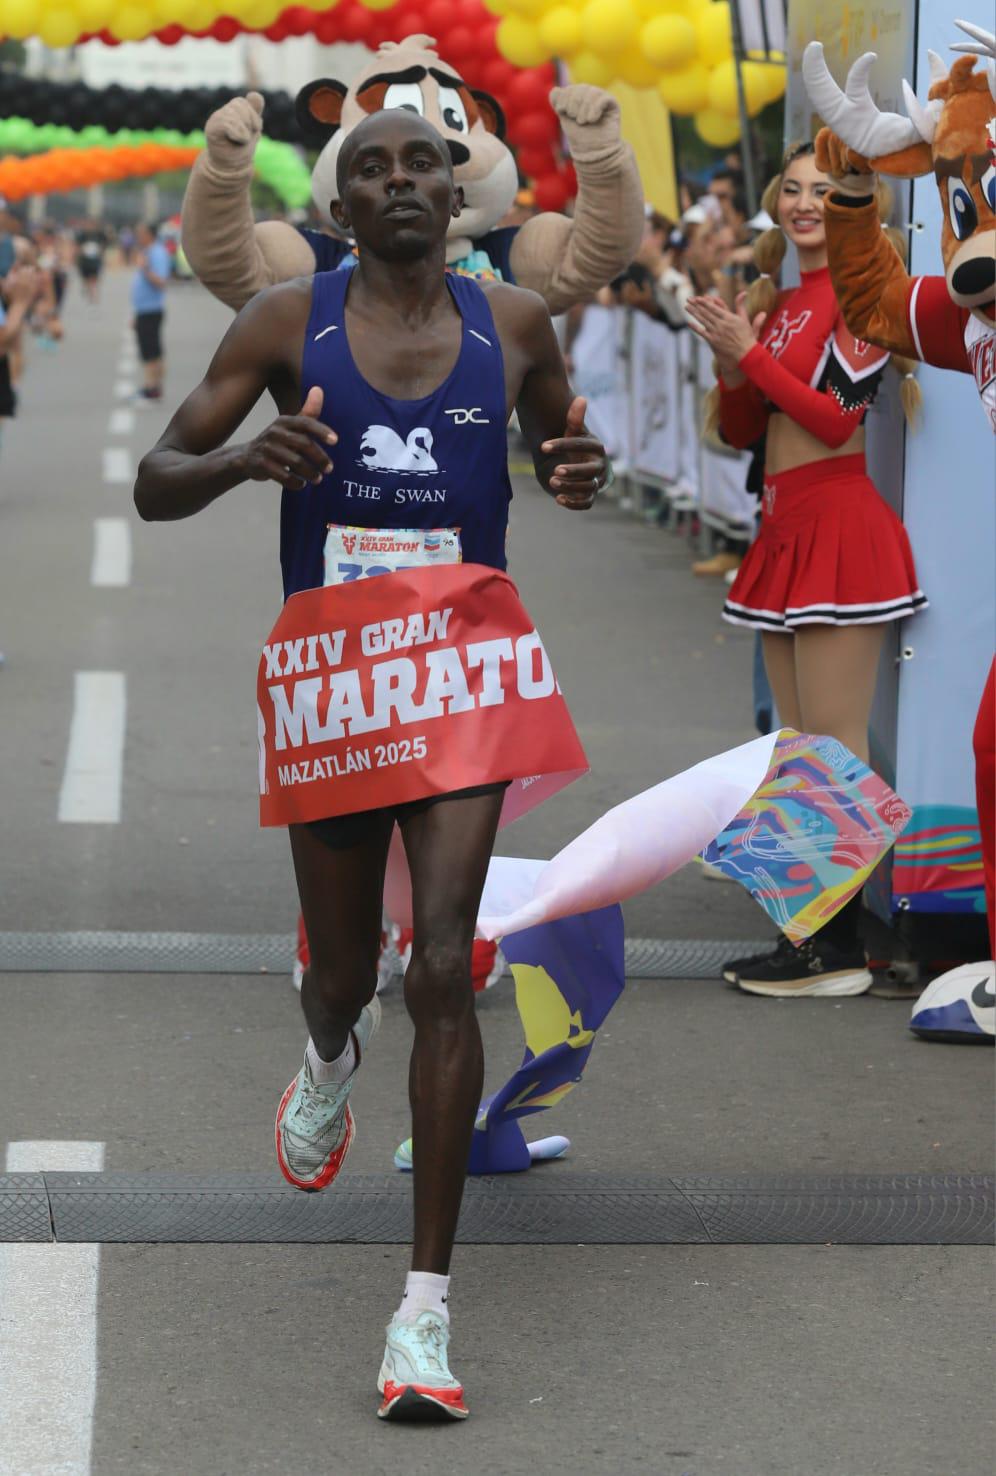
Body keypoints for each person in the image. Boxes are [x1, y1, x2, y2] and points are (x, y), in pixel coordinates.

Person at [134, 107, 606, 1422]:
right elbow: (155, 477)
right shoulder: (289, 323)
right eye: (371, 169)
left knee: (446, 964)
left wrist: (574, 466)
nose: (400, 180)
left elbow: (567, 452)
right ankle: (330, 1059)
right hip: (336, 680)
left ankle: (422, 1321)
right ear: (342, 206)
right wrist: (244, 460)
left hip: (462, 668)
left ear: (456, 192)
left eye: (422, 164)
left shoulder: (514, 325)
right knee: (345, 976)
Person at [686, 141, 926, 998]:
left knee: (831, 747)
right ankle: (809, 940)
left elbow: (833, 420)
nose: (803, 203)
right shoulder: (782, 299)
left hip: (840, 521)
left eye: (825, 190)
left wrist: (750, 357)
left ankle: (836, 950)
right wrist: (732, 354)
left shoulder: (863, 297)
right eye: (791, 188)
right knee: (794, 750)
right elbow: (747, 429)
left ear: (858, 202)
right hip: (786, 523)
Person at [131, 222, 171, 403]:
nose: (138, 237)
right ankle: (153, 386)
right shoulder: (148, 252)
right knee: (150, 349)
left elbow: (161, 281)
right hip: (144, 309)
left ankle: (152, 388)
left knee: (151, 351)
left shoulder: (157, 253)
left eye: (141, 233)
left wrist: (145, 268)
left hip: (151, 309)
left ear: (150, 234)